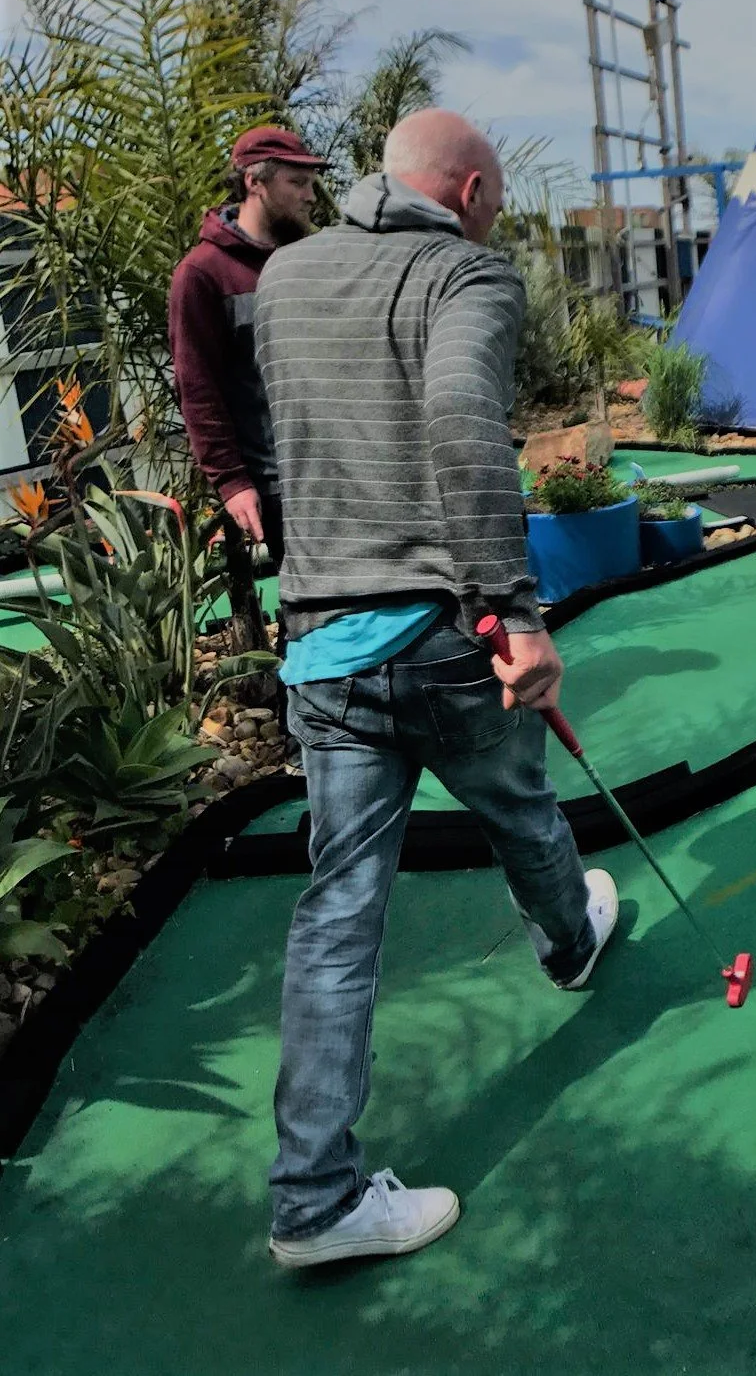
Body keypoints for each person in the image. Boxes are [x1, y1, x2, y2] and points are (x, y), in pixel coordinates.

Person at [254, 107, 618, 1270]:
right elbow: (465, 425)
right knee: (519, 810)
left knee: (338, 912)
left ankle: (311, 1200)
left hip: (322, 646)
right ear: (465, 192)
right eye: (497, 204)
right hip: (445, 634)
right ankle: (569, 943)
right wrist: (517, 610)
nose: (495, 221)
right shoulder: (467, 270)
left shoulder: (285, 276)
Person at [168, 124, 325, 569]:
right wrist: (233, 483)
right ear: (254, 182)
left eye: (311, 183)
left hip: (342, 465)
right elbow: (197, 389)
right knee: (315, 609)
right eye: (296, 183)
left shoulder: (310, 260)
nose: (310, 196)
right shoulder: (202, 274)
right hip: (279, 483)